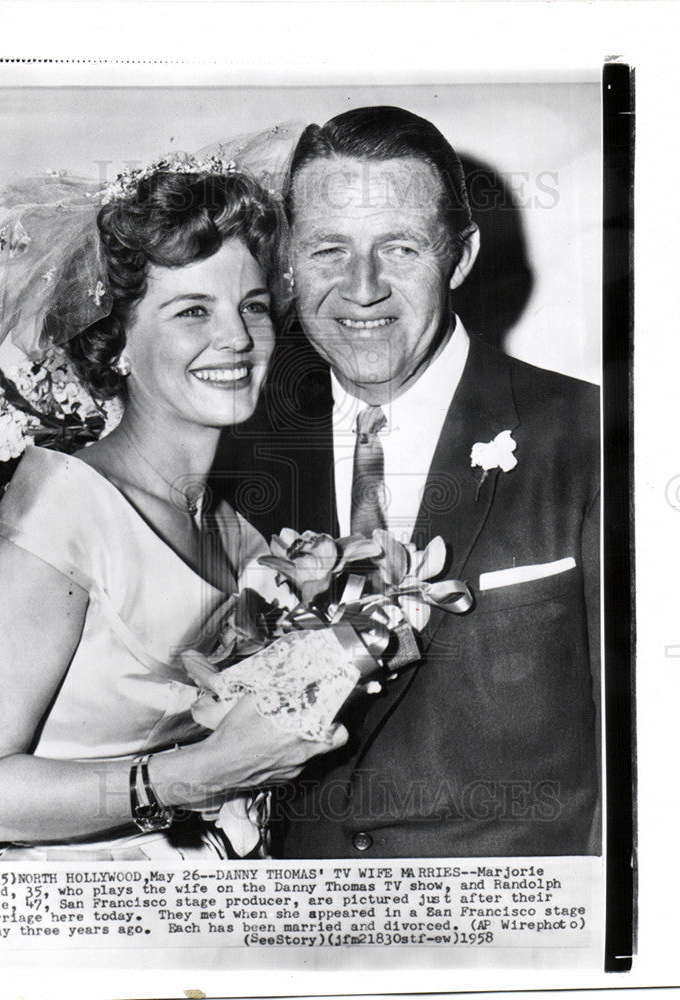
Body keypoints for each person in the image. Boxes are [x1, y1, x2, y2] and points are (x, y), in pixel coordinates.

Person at [216, 106, 600, 858]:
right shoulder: (232, 449)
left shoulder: (590, 437)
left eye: (399, 247)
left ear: (458, 258)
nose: (362, 290)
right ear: (289, 259)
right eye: (329, 249)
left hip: (508, 932)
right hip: (298, 925)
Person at [0, 165, 347, 862]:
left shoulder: (239, 529)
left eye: (253, 306)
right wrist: (195, 777)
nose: (236, 338)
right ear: (120, 339)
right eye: (192, 310)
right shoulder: (64, 505)